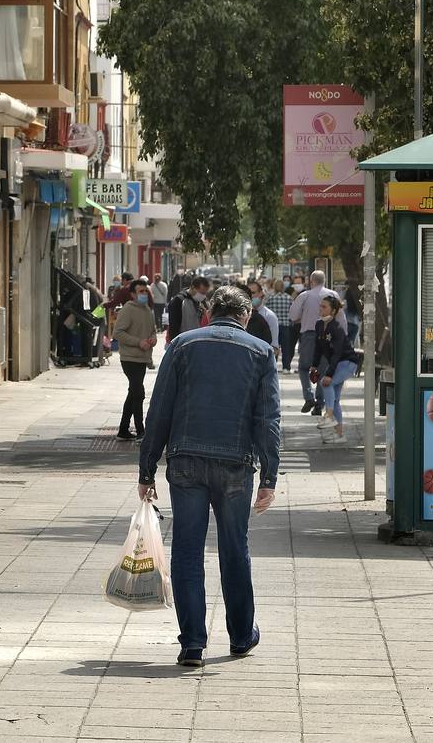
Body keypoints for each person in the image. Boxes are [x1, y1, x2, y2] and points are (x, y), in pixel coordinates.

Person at [139, 285, 281, 668]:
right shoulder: (261, 352)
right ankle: (240, 636)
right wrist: (269, 475)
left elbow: (160, 411)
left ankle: (193, 644)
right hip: (236, 465)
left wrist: (147, 467)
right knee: (235, 549)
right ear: (246, 316)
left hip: (186, 463)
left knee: (187, 551)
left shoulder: (182, 345)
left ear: (210, 312)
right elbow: (267, 419)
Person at [289, 271, 347, 415]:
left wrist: (303, 316)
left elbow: (293, 316)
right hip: (328, 335)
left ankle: (309, 397)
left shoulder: (305, 295)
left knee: (303, 368)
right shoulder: (333, 295)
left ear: (311, 281)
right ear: (324, 280)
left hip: (309, 335)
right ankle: (319, 404)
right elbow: (341, 318)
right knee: (323, 370)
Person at [112, 279, 157, 440]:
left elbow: (153, 331)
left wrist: (152, 339)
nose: (144, 294)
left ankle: (123, 430)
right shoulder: (127, 310)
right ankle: (141, 431)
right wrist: (138, 342)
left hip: (143, 359)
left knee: (133, 393)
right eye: (140, 291)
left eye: (145, 291)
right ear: (132, 294)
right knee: (139, 393)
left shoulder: (147, 310)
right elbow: (118, 333)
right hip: (130, 358)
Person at [312, 295, 361, 438]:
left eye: (324, 306)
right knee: (335, 399)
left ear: (333, 311)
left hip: (348, 362)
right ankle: (339, 435)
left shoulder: (337, 328)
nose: (321, 309)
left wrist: (329, 374)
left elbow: (337, 353)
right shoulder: (319, 325)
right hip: (338, 363)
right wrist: (314, 365)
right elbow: (318, 348)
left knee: (326, 384)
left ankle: (329, 415)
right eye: (320, 306)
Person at [166, 276, 212, 341]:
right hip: (183, 343)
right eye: (202, 293)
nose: (203, 296)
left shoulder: (202, 302)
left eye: (205, 293)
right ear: (193, 287)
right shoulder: (179, 301)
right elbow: (173, 328)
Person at [246, 281, 281, 365]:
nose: (250, 296)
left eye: (253, 293)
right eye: (248, 293)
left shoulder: (269, 316)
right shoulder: (241, 315)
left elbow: (274, 346)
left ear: (261, 293)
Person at [264, 280, 295, 373]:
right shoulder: (289, 298)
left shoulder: (270, 297)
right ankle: (286, 367)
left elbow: (265, 311)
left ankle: (273, 364)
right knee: (286, 347)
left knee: (274, 345)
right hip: (286, 325)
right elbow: (292, 312)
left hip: (273, 326)